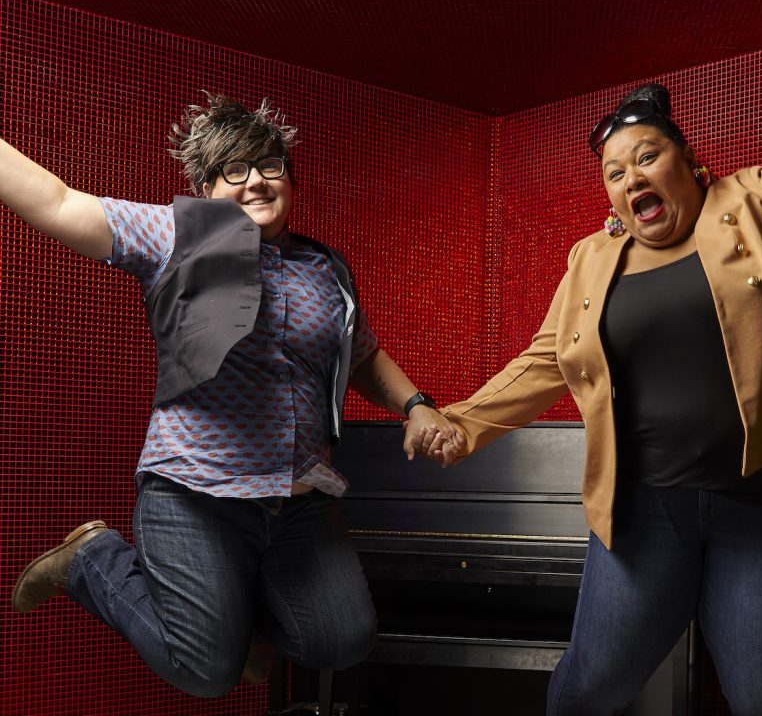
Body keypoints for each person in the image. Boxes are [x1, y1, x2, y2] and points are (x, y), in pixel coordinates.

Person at [407, 0, 762, 716]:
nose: (631, 176)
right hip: (644, 512)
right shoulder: (592, 259)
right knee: (586, 693)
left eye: (647, 156)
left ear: (691, 164)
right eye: (614, 171)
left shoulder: (760, 205)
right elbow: (549, 360)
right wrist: (460, 424)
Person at [6, 93, 451, 697]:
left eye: (269, 166)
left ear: (289, 179)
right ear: (208, 187)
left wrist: (415, 403)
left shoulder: (325, 269)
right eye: (232, 171)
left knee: (340, 641)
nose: (255, 182)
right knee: (206, 671)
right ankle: (91, 559)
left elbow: (363, 355)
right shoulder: (174, 235)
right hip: (196, 495)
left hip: (297, 504)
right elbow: (57, 202)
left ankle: (232, 624)